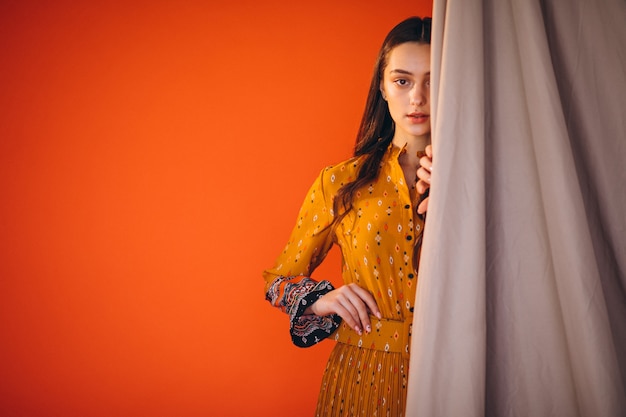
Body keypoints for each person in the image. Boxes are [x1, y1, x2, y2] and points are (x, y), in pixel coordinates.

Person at [263, 16, 432, 416]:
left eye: (433, 80)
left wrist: (466, 190)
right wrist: (324, 300)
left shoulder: (486, 181)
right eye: (403, 81)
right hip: (362, 378)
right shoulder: (341, 182)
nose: (418, 98)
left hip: (461, 371)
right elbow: (276, 281)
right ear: (382, 86)